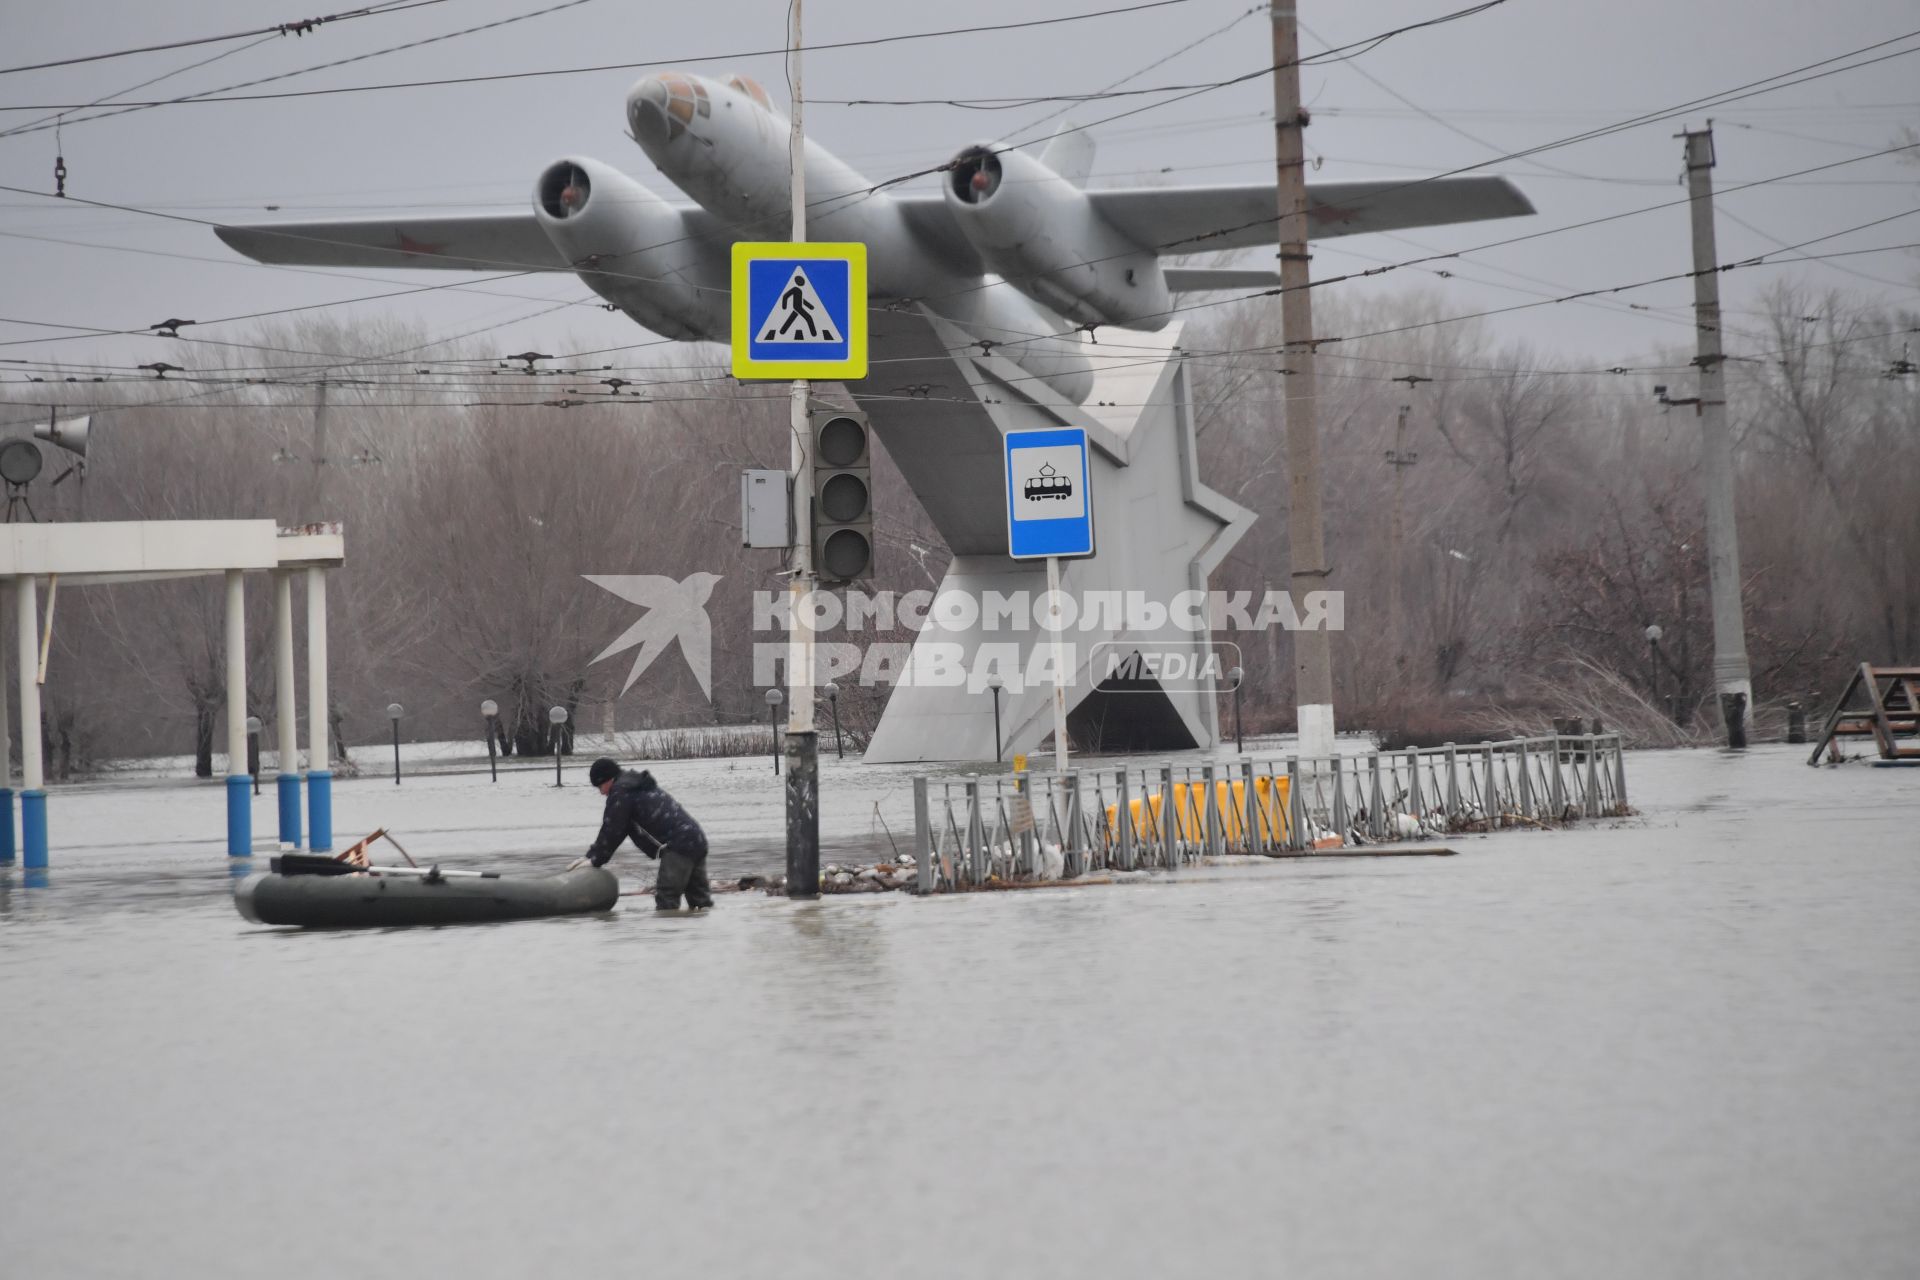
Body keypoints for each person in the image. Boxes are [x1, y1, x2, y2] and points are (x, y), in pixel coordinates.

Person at [584, 757, 713, 910]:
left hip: (679, 845)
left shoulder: (621, 792)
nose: (602, 792)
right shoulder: (635, 785)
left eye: (600, 787)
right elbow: (618, 828)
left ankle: (667, 932)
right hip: (696, 838)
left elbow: (613, 830)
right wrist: (593, 855)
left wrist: (594, 859)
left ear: (608, 780)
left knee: (667, 899)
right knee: (701, 903)